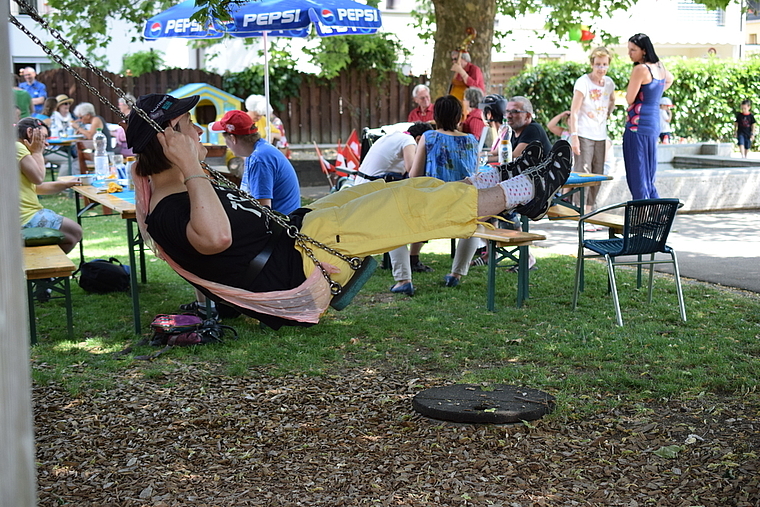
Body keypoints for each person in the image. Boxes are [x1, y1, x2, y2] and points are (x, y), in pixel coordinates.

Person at [126, 94, 572, 329]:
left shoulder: (182, 185)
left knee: (400, 186)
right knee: (405, 207)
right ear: (166, 139)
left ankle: (511, 181)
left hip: (301, 235)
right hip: (298, 265)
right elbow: (217, 239)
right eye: (185, 127)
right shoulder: (169, 208)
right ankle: (527, 189)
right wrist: (190, 168)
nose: (197, 131)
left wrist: (190, 167)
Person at [354, 122, 433, 295]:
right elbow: (412, 171)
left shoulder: (393, 136)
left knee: (400, 224)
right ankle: (404, 279)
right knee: (395, 231)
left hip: (363, 189)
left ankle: (405, 275)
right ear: (420, 139)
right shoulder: (408, 141)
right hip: (371, 191)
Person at [211, 110, 301, 213]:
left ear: (233, 139)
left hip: (282, 225)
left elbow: (262, 210)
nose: (226, 144)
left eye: (225, 139)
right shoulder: (257, 151)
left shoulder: (260, 159)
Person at [17, 117, 82, 254]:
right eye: (43, 137)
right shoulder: (17, 148)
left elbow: (35, 188)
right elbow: (39, 178)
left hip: (21, 216)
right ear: (30, 132)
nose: (45, 143)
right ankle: (45, 271)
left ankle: (43, 269)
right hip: (24, 218)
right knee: (75, 232)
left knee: (71, 234)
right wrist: (37, 152)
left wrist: (65, 185)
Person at [623, 33, 674, 200]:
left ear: (644, 51)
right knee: (648, 172)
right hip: (653, 123)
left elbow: (630, 98)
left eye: (633, 50)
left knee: (637, 173)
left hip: (637, 125)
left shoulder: (640, 69)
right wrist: (653, 95)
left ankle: (642, 217)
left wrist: (640, 97)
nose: (630, 53)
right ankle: (653, 212)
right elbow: (669, 80)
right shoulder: (659, 66)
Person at [568, 46, 616, 213]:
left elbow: (612, 100)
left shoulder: (609, 83)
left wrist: (607, 113)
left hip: (600, 135)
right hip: (583, 133)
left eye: (604, 64)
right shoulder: (583, 82)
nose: (601, 68)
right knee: (583, 173)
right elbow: (574, 111)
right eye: (598, 64)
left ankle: (590, 211)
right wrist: (574, 136)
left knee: (598, 173)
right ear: (592, 64)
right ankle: (580, 213)